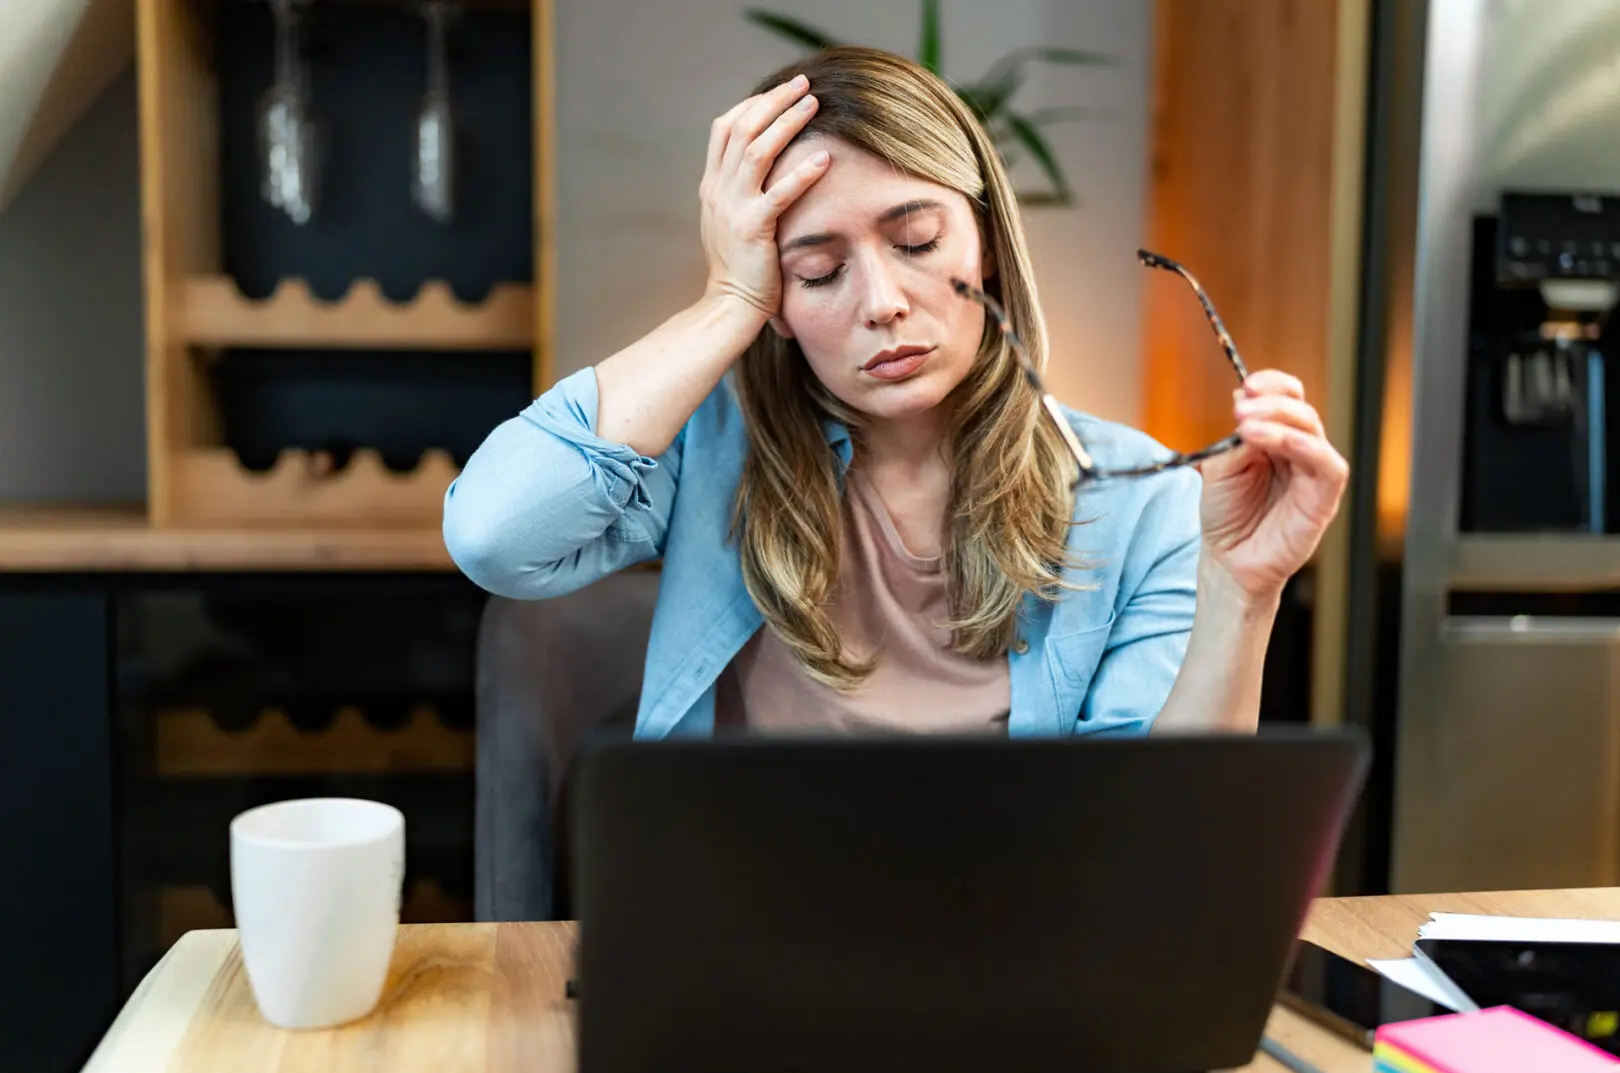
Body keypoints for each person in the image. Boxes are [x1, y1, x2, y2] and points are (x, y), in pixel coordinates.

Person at [442, 46, 1348, 741]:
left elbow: (1164, 829)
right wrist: (727, 300)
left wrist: (1240, 587)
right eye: (820, 270)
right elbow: (496, 535)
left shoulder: (1142, 494)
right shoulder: (708, 454)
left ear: (985, 242)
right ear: (778, 303)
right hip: (743, 941)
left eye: (916, 242)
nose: (883, 304)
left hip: (1013, 949)